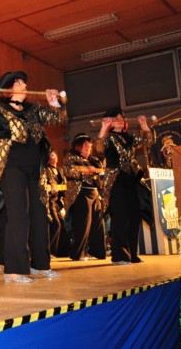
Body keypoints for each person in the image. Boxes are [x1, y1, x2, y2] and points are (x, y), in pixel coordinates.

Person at [0, 71, 66, 283]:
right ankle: (14, 270)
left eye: (23, 82)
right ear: (8, 89)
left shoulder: (33, 109)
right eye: (19, 82)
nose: (24, 84)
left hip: (35, 169)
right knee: (19, 215)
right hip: (11, 167)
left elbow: (58, 118)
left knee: (39, 215)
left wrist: (54, 102)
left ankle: (41, 264)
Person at [95, 108, 153, 265]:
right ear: (111, 122)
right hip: (116, 180)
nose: (120, 119)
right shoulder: (109, 138)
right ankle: (120, 255)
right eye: (116, 118)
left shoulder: (130, 137)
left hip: (132, 179)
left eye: (121, 117)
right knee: (120, 217)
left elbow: (148, 142)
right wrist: (104, 127)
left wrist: (144, 126)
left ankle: (132, 254)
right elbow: (99, 148)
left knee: (134, 216)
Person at [62, 134, 106, 261]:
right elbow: (67, 171)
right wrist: (84, 171)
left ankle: (97, 252)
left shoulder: (94, 160)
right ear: (78, 147)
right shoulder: (71, 157)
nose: (89, 150)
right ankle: (78, 253)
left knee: (98, 222)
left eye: (90, 147)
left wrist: (96, 170)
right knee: (83, 223)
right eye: (86, 147)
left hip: (95, 193)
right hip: (81, 193)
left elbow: (102, 172)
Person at [39, 149, 69, 258]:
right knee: (56, 224)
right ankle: (49, 251)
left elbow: (65, 185)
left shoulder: (60, 170)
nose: (53, 157)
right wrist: (50, 185)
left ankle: (61, 252)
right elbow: (42, 185)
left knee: (64, 225)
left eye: (54, 155)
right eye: (51, 155)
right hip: (49, 201)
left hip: (58, 201)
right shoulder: (45, 170)